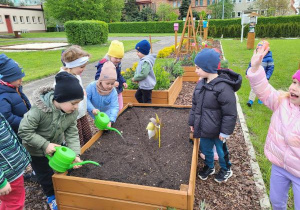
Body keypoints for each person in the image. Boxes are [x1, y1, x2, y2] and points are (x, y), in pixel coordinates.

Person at [18, 72, 84, 210]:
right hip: (36, 150)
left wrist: (75, 154)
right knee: (46, 175)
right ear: (60, 99)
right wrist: (45, 145)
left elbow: (72, 132)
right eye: (74, 103)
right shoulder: (39, 111)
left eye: (78, 103)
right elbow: (24, 131)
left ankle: (64, 188)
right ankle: (51, 196)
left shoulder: (70, 112)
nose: (76, 107)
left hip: (57, 146)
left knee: (63, 168)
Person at [247, 45, 300, 210]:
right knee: (276, 201)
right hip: (279, 166)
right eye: (294, 82)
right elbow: (264, 90)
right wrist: (255, 67)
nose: (293, 88)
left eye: (299, 85)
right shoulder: (282, 102)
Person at [189, 49, 242, 183]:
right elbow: (195, 105)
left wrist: (225, 132)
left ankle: (225, 169)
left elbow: (230, 113)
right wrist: (192, 122)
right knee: (206, 149)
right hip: (205, 128)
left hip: (218, 131)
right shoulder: (201, 84)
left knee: (221, 151)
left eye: (198, 67)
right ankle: (210, 166)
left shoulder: (223, 88)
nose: (196, 70)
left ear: (208, 67)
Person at [57, 45, 92, 147]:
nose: (83, 69)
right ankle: (79, 157)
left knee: (87, 136)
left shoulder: (75, 75)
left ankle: (89, 152)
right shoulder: (62, 79)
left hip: (80, 112)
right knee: (77, 139)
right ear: (72, 65)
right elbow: (61, 99)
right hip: (71, 115)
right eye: (81, 67)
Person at [0, 113, 31, 210]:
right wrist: (1, 182)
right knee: (15, 204)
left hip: (11, 169)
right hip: (8, 174)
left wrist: (23, 158)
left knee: (9, 202)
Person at [0, 54, 31, 137]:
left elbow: (25, 102)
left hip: (26, 127)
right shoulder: (2, 96)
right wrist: (28, 122)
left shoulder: (15, 87)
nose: (21, 80)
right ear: (7, 79)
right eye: (18, 78)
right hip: (17, 134)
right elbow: (8, 118)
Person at [95, 40, 127, 111]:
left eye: (120, 58)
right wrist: (111, 82)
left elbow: (119, 75)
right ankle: (110, 120)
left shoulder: (117, 63)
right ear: (110, 55)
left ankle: (119, 116)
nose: (118, 60)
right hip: (107, 91)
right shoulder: (103, 64)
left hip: (117, 90)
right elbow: (98, 78)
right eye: (116, 58)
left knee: (120, 107)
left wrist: (123, 81)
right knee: (110, 108)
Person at [87, 61, 119, 127]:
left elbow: (114, 107)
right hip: (92, 115)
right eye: (107, 83)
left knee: (104, 130)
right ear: (101, 80)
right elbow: (85, 99)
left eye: (112, 84)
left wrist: (111, 120)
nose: (110, 86)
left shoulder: (113, 92)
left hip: (106, 115)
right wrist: (92, 109)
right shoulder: (91, 87)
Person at [246, 40, 274, 107]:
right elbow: (250, 65)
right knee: (253, 88)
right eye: (258, 48)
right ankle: (251, 100)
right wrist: (247, 72)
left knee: (262, 89)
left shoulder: (269, 59)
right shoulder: (256, 57)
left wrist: (267, 77)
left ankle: (261, 99)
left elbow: (270, 69)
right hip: (255, 77)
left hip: (263, 77)